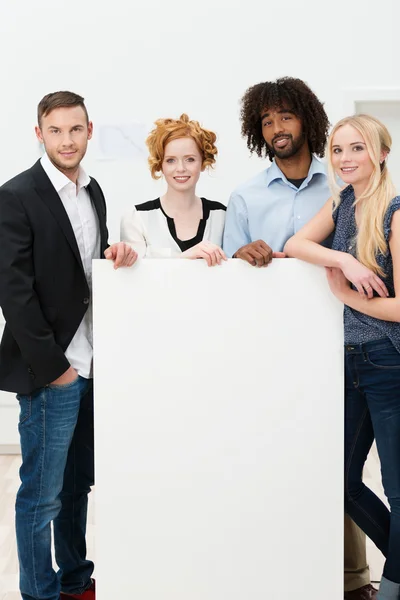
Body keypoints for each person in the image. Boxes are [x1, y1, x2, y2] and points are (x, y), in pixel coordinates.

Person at [223, 77, 377, 600]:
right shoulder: (243, 197)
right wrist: (243, 258)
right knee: (274, 464)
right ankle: (279, 576)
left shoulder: (339, 183)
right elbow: (228, 279)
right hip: (268, 353)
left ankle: (353, 581)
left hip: (341, 346)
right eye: (266, 121)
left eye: (285, 116)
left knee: (336, 467)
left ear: (306, 120)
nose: (276, 128)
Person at [0, 91, 137, 600]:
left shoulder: (93, 191)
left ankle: (77, 580)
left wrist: (115, 253)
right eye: (55, 131)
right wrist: (54, 368)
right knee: (41, 495)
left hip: (93, 366)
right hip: (52, 372)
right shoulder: (16, 195)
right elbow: (13, 293)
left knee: (78, 484)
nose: (66, 140)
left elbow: (81, 269)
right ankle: (40, 592)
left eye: (74, 130)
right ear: (39, 134)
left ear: (89, 131)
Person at [284, 114, 400, 600]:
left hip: (388, 362)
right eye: (337, 150)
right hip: (352, 362)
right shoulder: (343, 201)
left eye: (357, 148)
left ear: (380, 154)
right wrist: (344, 260)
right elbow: (296, 244)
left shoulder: (395, 211)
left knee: (397, 490)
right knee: (341, 479)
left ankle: (391, 585)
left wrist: (348, 297)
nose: (345, 158)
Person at [121, 113, 227, 266]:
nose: (181, 169)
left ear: (203, 162)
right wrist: (184, 258)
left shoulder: (222, 216)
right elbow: (134, 280)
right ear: (160, 165)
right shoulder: (136, 218)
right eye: (170, 160)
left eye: (190, 159)